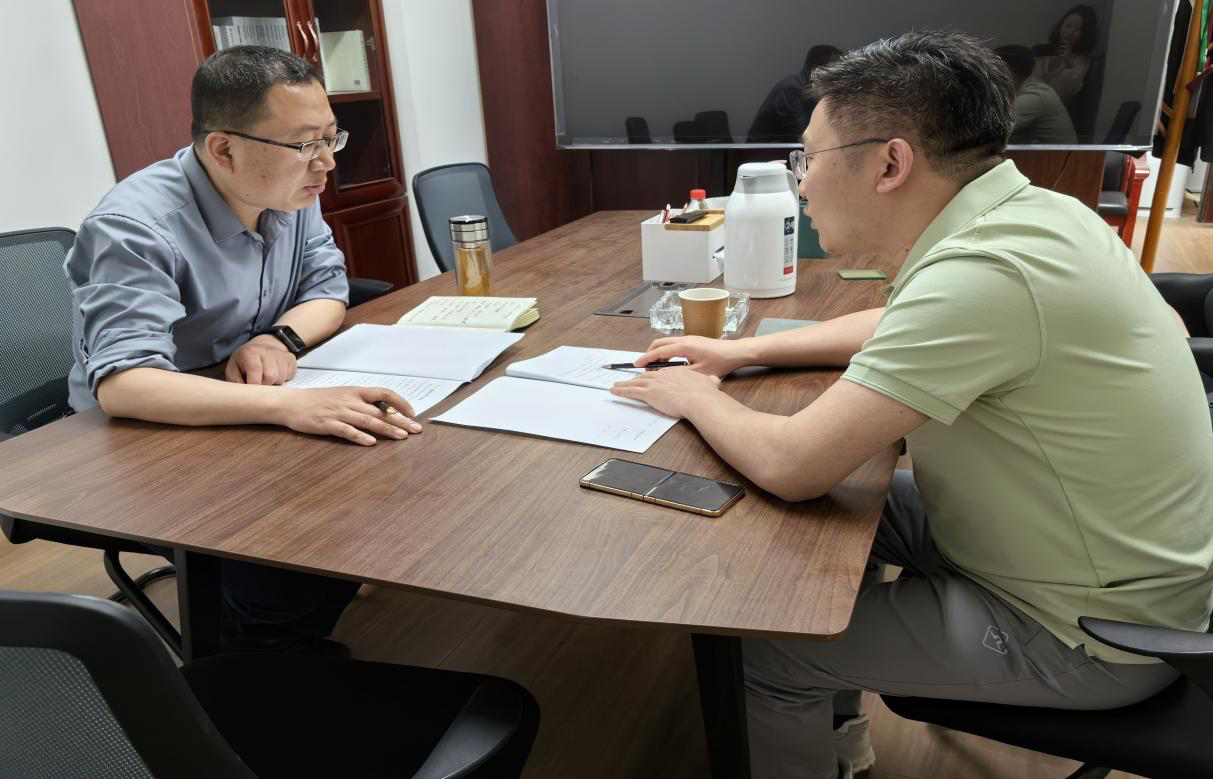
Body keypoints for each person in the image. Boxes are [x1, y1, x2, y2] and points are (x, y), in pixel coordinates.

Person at [612, 31, 1213, 779]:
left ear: (890, 164)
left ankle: (820, 722)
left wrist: (693, 395)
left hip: (1095, 634)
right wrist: (739, 353)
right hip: (1090, 559)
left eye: (809, 157)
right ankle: (839, 739)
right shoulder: (1032, 216)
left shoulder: (987, 271)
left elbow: (793, 463)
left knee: (763, 652)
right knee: (855, 502)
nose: (802, 183)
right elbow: (903, 324)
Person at [65, 46, 422, 653]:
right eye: (304, 144)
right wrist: (292, 407)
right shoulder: (134, 225)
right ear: (224, 149)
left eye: (329, 139)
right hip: (143, 437)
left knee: (378, 480)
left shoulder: (289, 192)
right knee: (289, 563)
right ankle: (254, 668)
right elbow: (125, 385)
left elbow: (328, 290)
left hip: (245, 400)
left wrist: (278, 337)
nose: (325, 164)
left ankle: (289, 626)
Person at [746, 45, 842, 143]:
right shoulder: (791, 89)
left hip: (779, 148)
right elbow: (803, 135)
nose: (840, 75)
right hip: (764, 150)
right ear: (816, 69)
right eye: (835, 69)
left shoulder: (802, 88)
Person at [995, 44, 1077, 144]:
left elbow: (991, 131)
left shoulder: (1033, 97)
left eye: (994, 70)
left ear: (1011, 76)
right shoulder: (1028, 88)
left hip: (1061, 154)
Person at [1032, 4, 1099, 103]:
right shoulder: (1047, 48)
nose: (1070, 32)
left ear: (1085, 34)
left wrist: (1068, 64)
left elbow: (1063, 92)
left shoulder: (1081, 61)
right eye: (1067, 26)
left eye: (1077, 29)